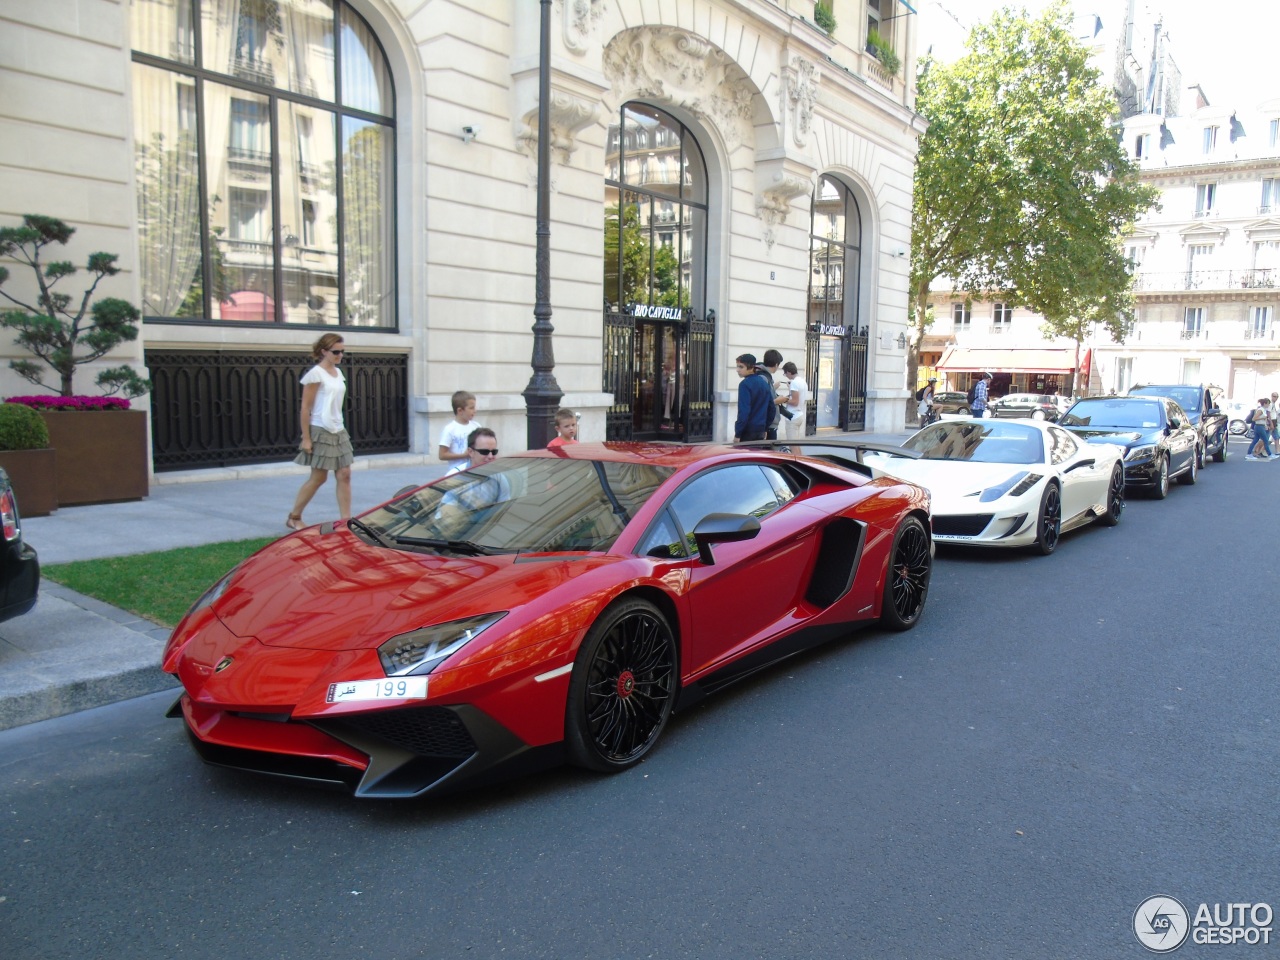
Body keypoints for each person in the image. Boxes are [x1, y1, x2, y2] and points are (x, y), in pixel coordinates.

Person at [286, 333, 353, 531]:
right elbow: (305, 408)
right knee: (319, 477)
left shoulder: (338, 373)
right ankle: (294, 516)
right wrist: (306, 438)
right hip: (320, 428)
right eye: (335, 352)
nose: (340, 355)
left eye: (342, 351)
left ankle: (346, 521)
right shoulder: (315, 374)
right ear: (324, 351)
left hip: (338, 428)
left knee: (345, 474)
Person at [733, 353, 772, 442]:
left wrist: (738, 434)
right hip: (760, 429)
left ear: (750, 368)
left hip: (748, 431)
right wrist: (765, 428)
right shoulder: (763, 382)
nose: (737, 370)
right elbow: (771, 408)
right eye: (737, 366)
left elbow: (744, 411)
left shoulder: (744, 384)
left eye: (741, 367)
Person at [439, 390, 481, 467]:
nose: (475, 411)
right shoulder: (450, 429)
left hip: (474, 469)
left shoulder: (476, 426)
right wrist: (463, 455)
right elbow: (442, 455)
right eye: (471, 408)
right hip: (457, 472)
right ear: (460, 410)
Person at [777, 361, 809, 441]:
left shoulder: (794, 383)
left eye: (785, 374)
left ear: (789, 372)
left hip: (793, 416)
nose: (786, 376)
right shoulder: (802, 381)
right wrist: (789, 389)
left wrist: (783, 399)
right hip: (799, 414)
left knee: (792, 445)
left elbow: (795, 402)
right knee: (796, 444)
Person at [757, 349, 784, 440]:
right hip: (768, 425)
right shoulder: (764, 377)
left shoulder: (765, 376)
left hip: (769, 424)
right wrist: (777, 401)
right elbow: (761, 403)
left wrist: (773, 388)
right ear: (776, 364)